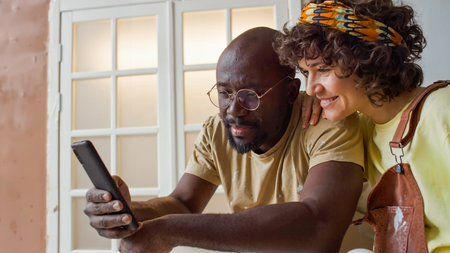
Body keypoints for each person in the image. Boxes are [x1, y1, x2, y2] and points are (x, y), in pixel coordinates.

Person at [84, 26, 365, 253]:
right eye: (224, 93)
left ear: (291, 92)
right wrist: (129, 213)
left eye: (250, 96)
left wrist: (169, 230)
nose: (233, 110)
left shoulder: (327, 123)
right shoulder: (218, 130)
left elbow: (317, 228)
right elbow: (183, 203)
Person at [274, 0, 450, 252]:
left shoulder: (442, 113)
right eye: (305, 73)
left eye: (323, 69)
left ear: (367, 59)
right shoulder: (358, 129)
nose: (311, 88)